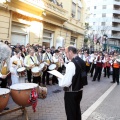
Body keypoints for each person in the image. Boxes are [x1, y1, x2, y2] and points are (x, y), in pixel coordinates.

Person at [58, 46, 86, 120]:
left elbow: (66, 83)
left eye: (66, 52)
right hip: (79, 91)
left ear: (70, 52)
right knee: (77, 110)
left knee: (70, 113)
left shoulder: (71, 63)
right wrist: (64, 64)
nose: (66, 54)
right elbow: (76, 70)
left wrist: (59, 78)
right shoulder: (81, 61)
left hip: (71, 92)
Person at [0, 42, 12, 110]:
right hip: (1, 76)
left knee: (3, 90)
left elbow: (8, 67)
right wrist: (1, 75)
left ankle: (2, 104)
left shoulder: (7, 59)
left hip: (4, 77)